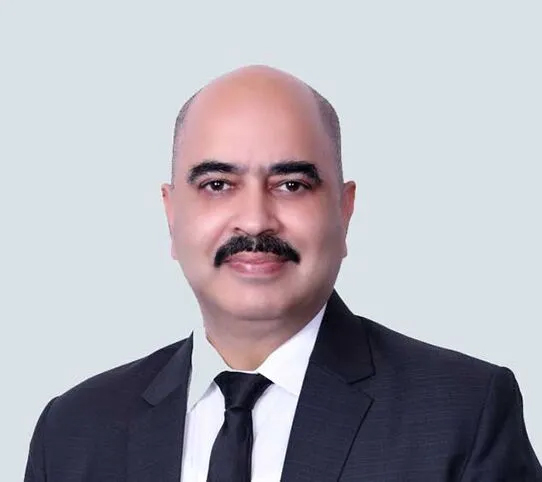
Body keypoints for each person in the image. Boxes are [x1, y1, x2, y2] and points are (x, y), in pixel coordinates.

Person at [25, 65, 541, 481]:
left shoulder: (463, 415)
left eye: (291, 184)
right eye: (217, 184)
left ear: (344, 210)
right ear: (171, 213)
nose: (255, 220)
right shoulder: (73, 432)